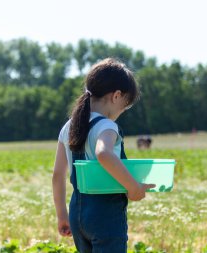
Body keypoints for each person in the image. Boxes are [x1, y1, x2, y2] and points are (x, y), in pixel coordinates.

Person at [52, 58, 156, 253]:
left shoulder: (69, 126)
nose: (122, 112)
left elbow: (57, 175)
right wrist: (133, 187)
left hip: (77, 212)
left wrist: (62, 215)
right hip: (105, 215)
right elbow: (104, 153)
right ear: (117, 96)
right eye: (125, 106)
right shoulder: (107, 126)